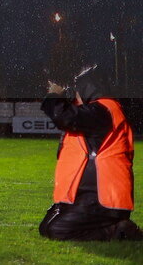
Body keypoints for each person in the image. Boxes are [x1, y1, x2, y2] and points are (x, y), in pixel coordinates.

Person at [39, 65, 141, 241]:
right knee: (46, 228)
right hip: (90, 194)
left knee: (57, 230)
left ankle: (117, 231)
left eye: (77, 90)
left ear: (88, 89)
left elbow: (65, 117)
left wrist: (55, 95)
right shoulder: (99, 110)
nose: (75, 95)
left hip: (102, 197)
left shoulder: (103, 109)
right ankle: (115, 228)